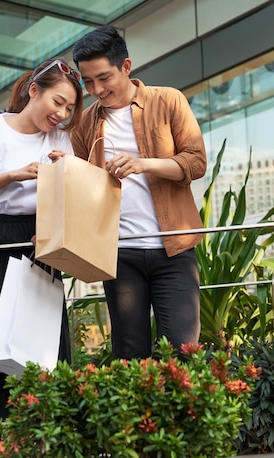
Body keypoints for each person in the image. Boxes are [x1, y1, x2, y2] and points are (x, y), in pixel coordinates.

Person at [0, 58, 83, 456]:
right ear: (34, 90)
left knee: (38, 353)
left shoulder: (60, 140)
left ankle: (35, 449)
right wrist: (12, 175)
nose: (60, 114)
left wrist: (71, 170)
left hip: (41, 242)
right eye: (57, 102)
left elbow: (74, 194)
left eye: (69, 109)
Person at [71, 26, 207, 360]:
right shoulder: (85, 124)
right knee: (129, 355)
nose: (96, 90)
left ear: (126, 67)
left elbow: (196, 162)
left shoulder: (168, 100)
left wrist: (144, 164)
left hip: (173, 249)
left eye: (103, 78)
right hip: (119, 254)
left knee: (182, 352)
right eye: (88, 82)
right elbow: (78, 188)